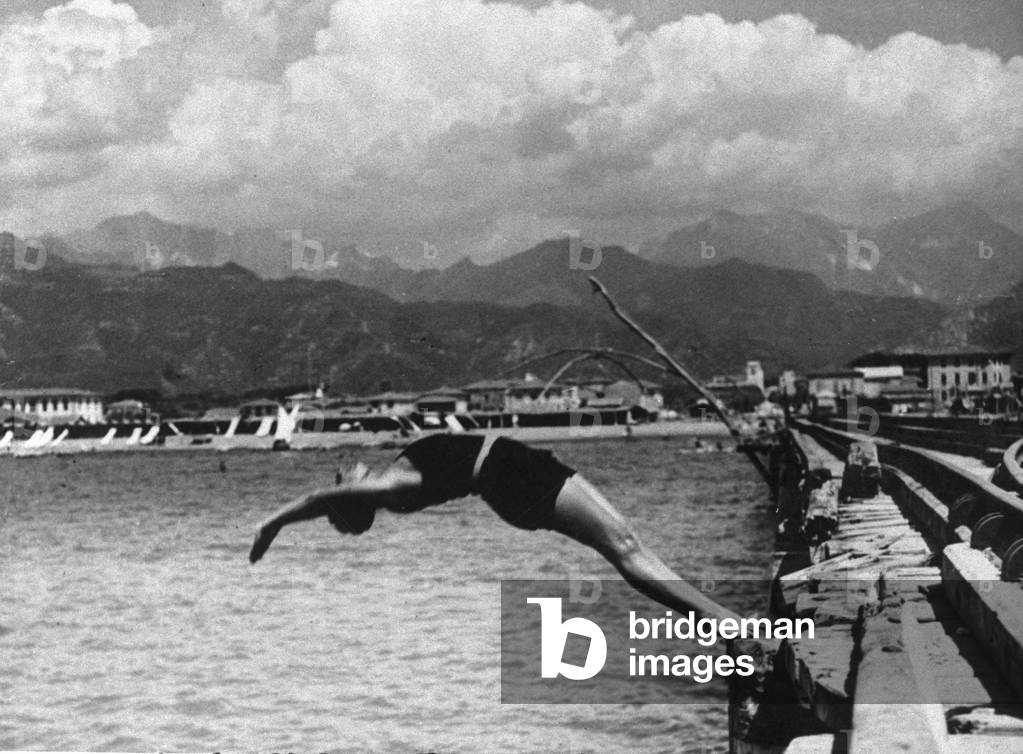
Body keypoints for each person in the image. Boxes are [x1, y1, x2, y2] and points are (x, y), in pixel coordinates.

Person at [249, 433, 739, 622]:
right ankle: (730, 625)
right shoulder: (390, 486)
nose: (344, 467)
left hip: (513, 476)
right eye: (342, 480)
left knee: (626, 545)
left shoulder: (393, 475)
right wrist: (271, 525)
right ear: (355, 498)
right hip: (513, 480)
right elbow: (317, 500)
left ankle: (725, 623)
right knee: (625, 548)